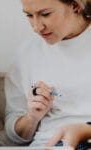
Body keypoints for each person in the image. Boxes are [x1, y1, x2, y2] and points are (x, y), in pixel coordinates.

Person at [5, 0, 91, 149]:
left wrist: (84, 131)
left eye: (45, 14)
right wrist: (32, 117)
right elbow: (15, 137)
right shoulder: (26, 54)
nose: (37, 27)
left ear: (75, 6)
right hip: (47, 144)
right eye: (29, 15)